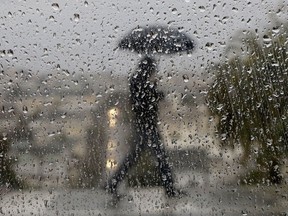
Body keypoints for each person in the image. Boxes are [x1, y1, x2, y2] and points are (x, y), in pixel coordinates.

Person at [105, 56, 181, 201]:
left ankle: (113, 183)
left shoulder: (137, 80)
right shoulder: (139, 82)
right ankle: (170, 188)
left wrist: (153, 88)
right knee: (159, 156)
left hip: (144, 124)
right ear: (148, 68)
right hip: (146, 124)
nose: (154, 72)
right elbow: (145, 100)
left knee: (139, 157)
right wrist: (155, 89)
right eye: (153, 69)